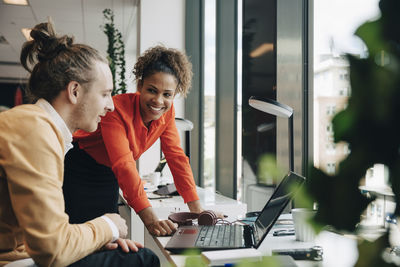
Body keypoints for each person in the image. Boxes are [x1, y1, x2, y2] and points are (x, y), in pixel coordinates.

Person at [0, 21, 159, 267]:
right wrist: (109, 225)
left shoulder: (40, 127)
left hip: (23, 254)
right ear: (74, 91)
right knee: (142, 260)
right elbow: (52, 250)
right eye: (105, 94)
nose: (111, 105)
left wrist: (95, 240)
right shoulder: (35, 129)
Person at [63, 45, 217, 236]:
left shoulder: (167, 115)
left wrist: (197, 209)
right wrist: (151, 220)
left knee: (109, 236)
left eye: (167, 94)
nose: (158, 101)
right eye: (152, 90)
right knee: (80, 235)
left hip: (109, 174)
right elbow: (124, 164)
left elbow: (176, 157)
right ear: (139, 86)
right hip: (80, 168)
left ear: (175, 94)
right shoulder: (116, 109)